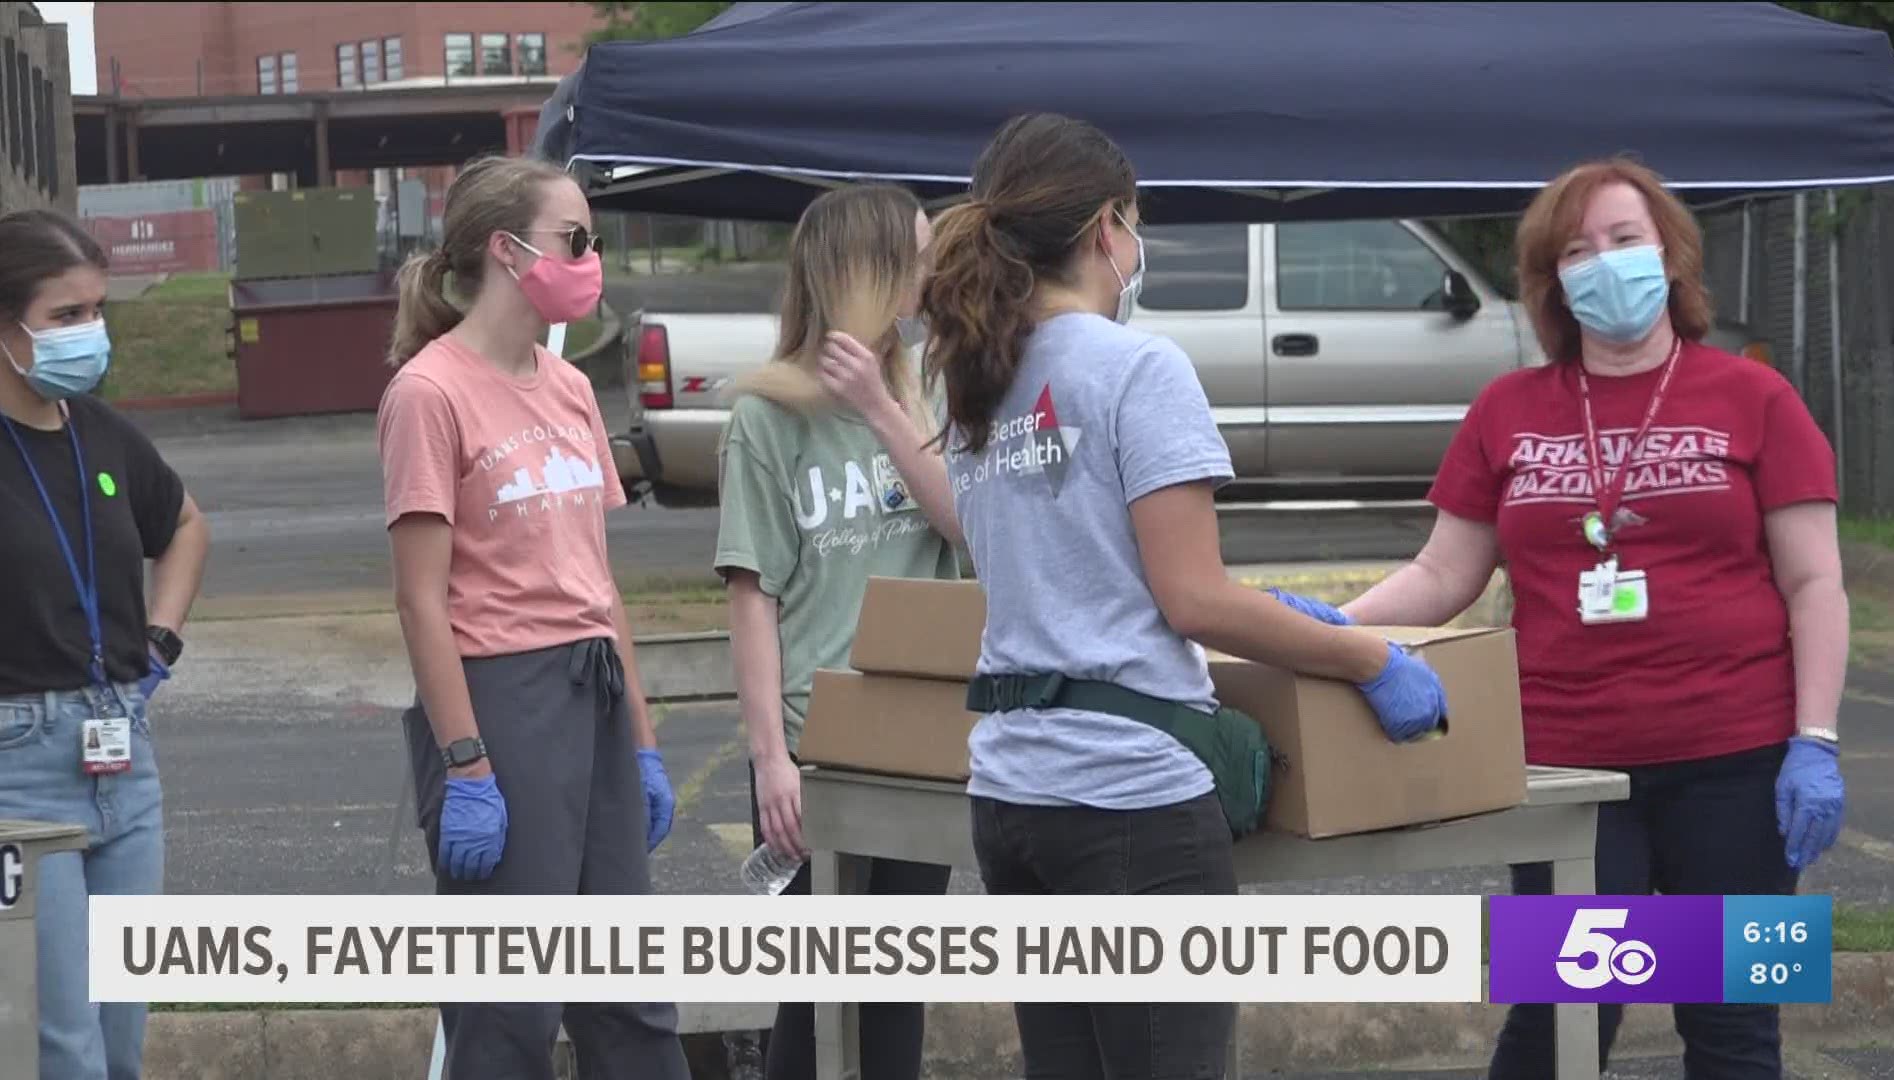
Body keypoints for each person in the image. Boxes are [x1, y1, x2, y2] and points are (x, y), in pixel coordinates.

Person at [919, 112, 1448, 1080]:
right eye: (1135, 222)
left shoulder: (976, 376)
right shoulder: (1138, 367)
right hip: (1129, 800)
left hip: (1010, 794)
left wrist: (1270, 612)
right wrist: (1369, 657)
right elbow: (1193, 600)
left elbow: (1067, 567)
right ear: (1106, 229)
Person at [1331, 158, 1848, 1080]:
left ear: (1671, 258)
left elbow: (1815, 585)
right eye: (1578, 250)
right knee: (1562, 1017)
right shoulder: (1508, 408)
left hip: (1740, 764)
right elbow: (1444, 572)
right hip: (1569, 774)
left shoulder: (1756, 398)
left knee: (1735, 1024)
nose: (1605, 264)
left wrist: (1816, 737)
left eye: (1625, 240)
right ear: (1551, 281)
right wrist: (1327, 628)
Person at [377, 154, 689, 1080]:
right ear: (508, 252)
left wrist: (639, 741)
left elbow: (597, 580)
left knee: (628, 988)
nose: (590, 259)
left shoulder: (571, 389)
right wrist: (466, 761)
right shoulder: (429, 393)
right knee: (510, 1003)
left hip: (590, 687)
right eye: (575, 239)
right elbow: (418, 598)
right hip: (502, 700)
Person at [715, 183, 964, 1080]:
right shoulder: (765, 418)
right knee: (816, 991)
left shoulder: (927, 386)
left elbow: (964, 526)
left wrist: (883, 409)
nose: (930, 278)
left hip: (922, 727)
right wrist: (768, 758)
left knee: (894, 985)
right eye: (917, 259)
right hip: (818, 739)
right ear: (865, 272)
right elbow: (753, 597)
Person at [0, 208, 210, 1080]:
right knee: (63, 1044)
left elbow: (186, 523)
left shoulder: (101, 432)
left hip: (125, 755)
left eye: (97, 311)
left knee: (122, 1036)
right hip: (19, 771)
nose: (91, 334)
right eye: (66, 316)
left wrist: (161, 638)